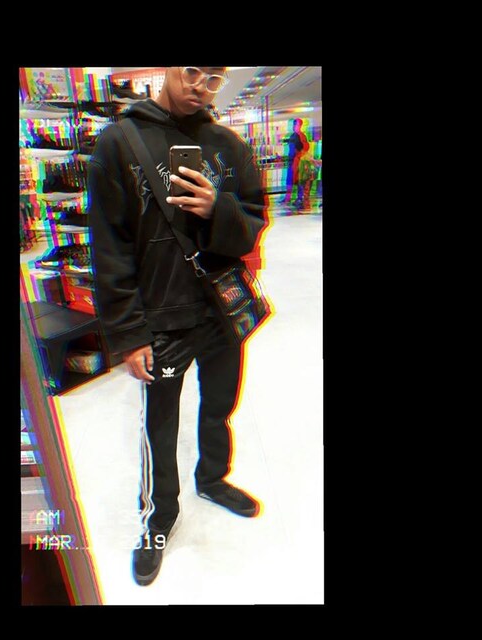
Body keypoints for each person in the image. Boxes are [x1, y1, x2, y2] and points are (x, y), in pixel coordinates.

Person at [88, 67, 268, 586]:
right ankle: (159, 516)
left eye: (213, 78)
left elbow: (253, 223)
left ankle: (211, 478)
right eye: (191, 71)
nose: (199, 86)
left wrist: (218, 208)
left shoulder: (228, 145)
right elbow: (109, 246)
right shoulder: (119, 141)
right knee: (160, 425)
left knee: (220, 404)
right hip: (162, 318)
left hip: (220, 310)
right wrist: (129, 334)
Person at [280, 118, 309, 207]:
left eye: (296, 125)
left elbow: (305, 148)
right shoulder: (293, 135)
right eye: (294, 124)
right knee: (289, 180)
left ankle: (299, 199)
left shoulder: (301, 136)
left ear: (300, 126)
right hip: (292, 161)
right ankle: (288, 198)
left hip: (298, 162)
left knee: (299, 180)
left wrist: (299, 157)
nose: (294, 126)